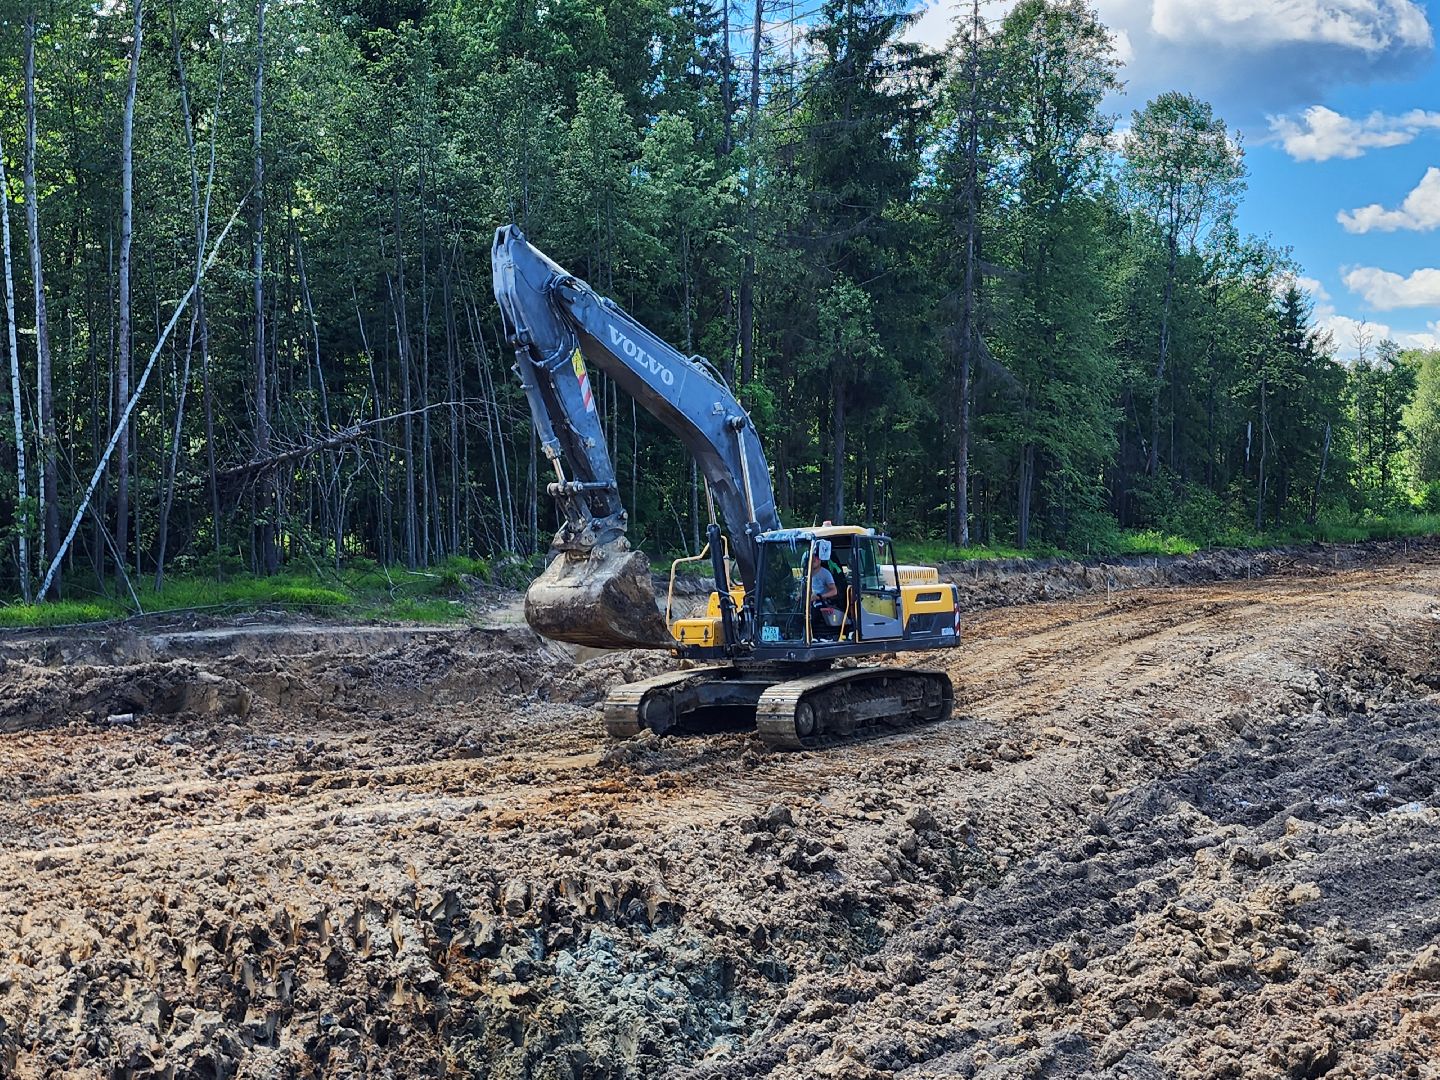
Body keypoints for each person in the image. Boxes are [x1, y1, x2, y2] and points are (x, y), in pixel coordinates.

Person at [808, 544, 839, 638]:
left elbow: (834, 591)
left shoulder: (825, 573)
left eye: (816, 557)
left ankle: (812, 637)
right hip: (807, 601)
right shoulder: (807, 573)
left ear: (820, 559)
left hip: (820, 601)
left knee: (812, 614)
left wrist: (818, 597)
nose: (814, 559)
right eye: (812, 557)